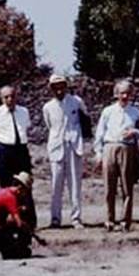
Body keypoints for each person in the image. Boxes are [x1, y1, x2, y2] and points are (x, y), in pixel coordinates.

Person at [94, 79, 139, 231]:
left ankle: (125, 220)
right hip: (110, 147)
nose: (125, 96)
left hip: (127, 148)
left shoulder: (135, 112)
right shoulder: (108, 111)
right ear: (117, 94)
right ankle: (109, 220)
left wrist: (134, 132)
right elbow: (100, 133)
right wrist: (98, 153)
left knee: (127, 187)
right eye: (122, 93)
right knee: (109, 187)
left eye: (128, 93)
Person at [42, 73, 88, 228]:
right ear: (51, 88)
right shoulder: (48, 107)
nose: (59, 89)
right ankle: (55, 218)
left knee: (75, 184)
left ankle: (76, 217)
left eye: (61, 85)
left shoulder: (76, 102)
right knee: (56, 184)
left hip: (73, 145)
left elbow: (84, 119)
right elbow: (50, 125)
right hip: (56, 146)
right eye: (55, 86)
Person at [0, 171, 36, 260]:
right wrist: (30, 231)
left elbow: (10, 218)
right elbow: (19, 223)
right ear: (20, 187)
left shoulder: (5, 191)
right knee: (16, 254)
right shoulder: (10, 197)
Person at [0, 85, 32, 188]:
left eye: (12, 96)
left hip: (21, 150)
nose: (10, 99)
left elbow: (26, 128)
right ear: (1, 98)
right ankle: (7, 204)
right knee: (6, 183)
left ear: (16, 96)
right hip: (4, 150)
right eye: (6, 97)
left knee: (24, 182)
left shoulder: (24, 111)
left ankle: (24, 204)